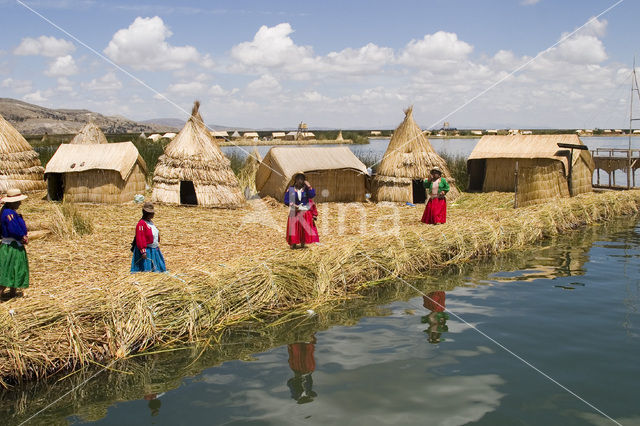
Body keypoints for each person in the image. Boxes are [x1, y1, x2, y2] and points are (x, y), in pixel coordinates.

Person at [0, 189, 29, 299]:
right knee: (7, 272)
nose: (20, 203)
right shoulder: (8, 213)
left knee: (15, 269)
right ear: (12, 202)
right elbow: (13, 229)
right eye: (18, 201)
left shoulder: (9, 211)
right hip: (11, 247)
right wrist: (22, 237)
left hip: (15, 245)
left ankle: (12, 295)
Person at [284, 172, 319, 249]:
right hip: (294, 211)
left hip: (304, 212)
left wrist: (309, 186)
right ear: (295, 179)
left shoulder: (306, 189)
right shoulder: (291, 189)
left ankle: (303, 244)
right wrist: (293, 205)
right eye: (298, 178)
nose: (300, 180)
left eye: (302, 178)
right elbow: (286, 200)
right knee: (294, 228)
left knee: (303, 228)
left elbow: (312, 195)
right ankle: (293, 244)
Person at [131, 202, 166, 273]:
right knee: (147, 268)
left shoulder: (150, 222)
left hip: (153, 249)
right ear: (146, 213)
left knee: (157, 267)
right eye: (151, 213)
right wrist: (143, 251)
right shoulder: (141, 224)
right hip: (147, 250)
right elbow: (140, 238)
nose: (153, 215)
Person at [287, 334, 318, 404]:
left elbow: (289, 383)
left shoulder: (300, 391)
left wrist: (299, 396)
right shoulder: (308, 389)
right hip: (304, 369)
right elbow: (290, 383)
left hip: (300, 369)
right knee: (302, 351)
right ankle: (305, 338)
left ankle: (303, 338)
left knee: (298, 350)